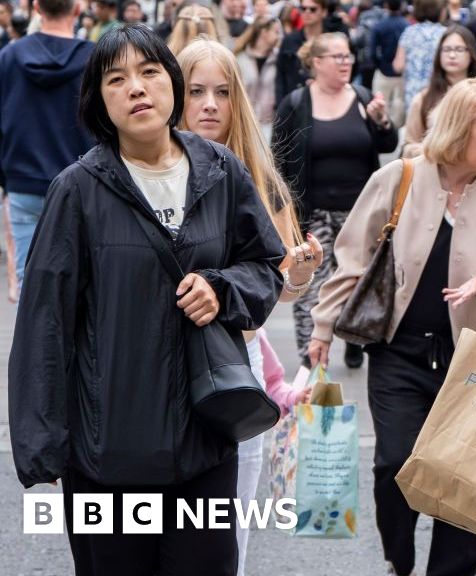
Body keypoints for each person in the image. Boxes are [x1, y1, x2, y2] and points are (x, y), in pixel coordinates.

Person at [9, 24, 285, 575]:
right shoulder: (77, 190)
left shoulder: (219, 171)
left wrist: (222, 289)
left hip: (203, 441)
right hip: (106, 452)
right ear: (98, 101)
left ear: (173, 85)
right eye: (117, 79)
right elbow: (44, 325)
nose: (136, 88)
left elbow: (263, 263)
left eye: (149, 72)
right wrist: (45, 446)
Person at [309, 76, 476, 576]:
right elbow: (352, 259)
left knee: (464, 479)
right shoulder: (399, 178)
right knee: (395, 463)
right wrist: (323, 329)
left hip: (475, 358)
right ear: (455, 130)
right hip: (399, 353)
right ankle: (398, 559)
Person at [177, 38, 321, 576]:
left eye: (222, 92)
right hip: (163, 364)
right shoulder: (141, 171)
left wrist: (300, 272)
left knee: (229, 522)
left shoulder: (257, 179)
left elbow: (277, 286)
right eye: (196, 92)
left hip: (238, 365)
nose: (210, 104)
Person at [273, 32, 398, 369]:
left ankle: (352, 338)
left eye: (348, 56)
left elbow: (387, 144)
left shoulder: (362, 96)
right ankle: (310, 360)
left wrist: (381, 120)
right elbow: (278, 159)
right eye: (338, 57)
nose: (346, 62)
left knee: (358, 283)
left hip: (361, 215)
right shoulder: (296, 103)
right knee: (311, 287)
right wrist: (281, 212)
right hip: (312, 215)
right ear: (316, 63)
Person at [0, 0, 94, 295]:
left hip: (24, 183)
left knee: (31, 293)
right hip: (82, 185)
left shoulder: (10, 56)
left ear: (37, 8)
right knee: (81, 290)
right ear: (77, 10)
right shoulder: (94, 58)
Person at [402, 23, 476, 158]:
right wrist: (434, 150)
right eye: (446, 49)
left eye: (459, 49)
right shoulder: (424, 98)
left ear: (471, 53)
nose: (451, 55)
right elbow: (409, 145)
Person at [276, 0, 347, 108]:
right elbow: (280, 74)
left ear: (323, 12)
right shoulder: (290, 40)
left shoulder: (333, 41)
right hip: (295, 104)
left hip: (327, 103)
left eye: (313, 9)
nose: (307, 12)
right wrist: (280, 105)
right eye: (303, 9)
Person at [393, 0, 446, 117]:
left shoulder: (409, 32)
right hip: (438, 93)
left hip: (412, 94)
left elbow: (398, 66)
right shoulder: (445, 34)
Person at [236, 15, 284, 139]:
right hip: (243, 124)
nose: (279, 36)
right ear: (264, 32)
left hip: (269, 123)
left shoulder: (279, 59)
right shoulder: (240, 59)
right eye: (276, 32)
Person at [369, 0, 408, 127]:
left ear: (386, 5)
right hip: (401, 73)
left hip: (384, 71)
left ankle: (383, 132)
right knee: (400, 106)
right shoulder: (407, 25)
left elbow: (372, 52)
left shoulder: (379, 25)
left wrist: (380, 65)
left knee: (380, 104)